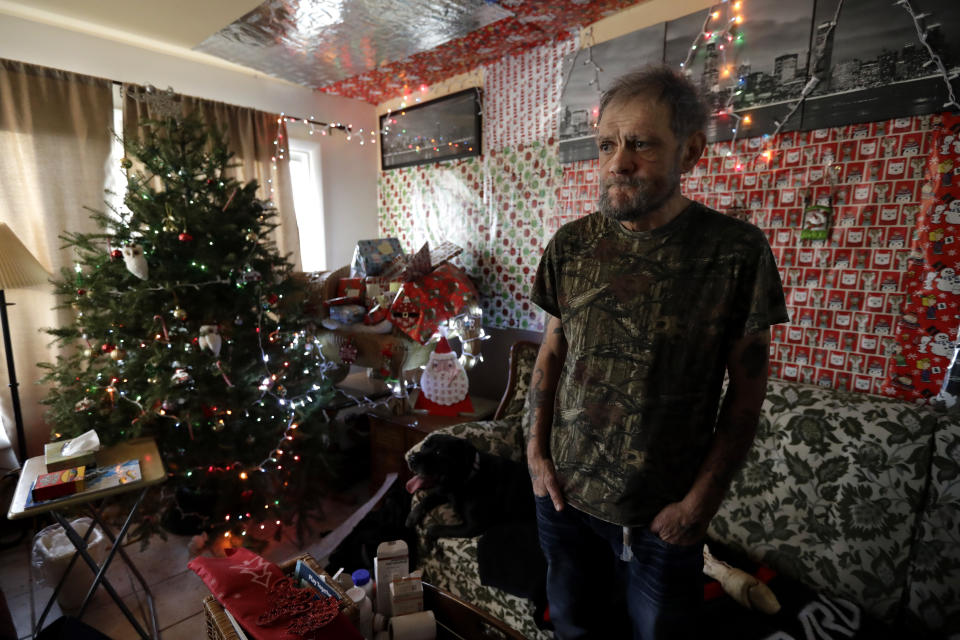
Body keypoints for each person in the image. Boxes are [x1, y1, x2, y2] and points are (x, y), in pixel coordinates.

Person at [526, 65, 789, 639]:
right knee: (572, 627)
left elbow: (746, 395)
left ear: (689, 151)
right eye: (607, 145)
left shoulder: (734, 252)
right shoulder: (571, 245)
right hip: (563, 501)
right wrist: (536, 457)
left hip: (662, 518)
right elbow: (549, 357)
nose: (618, 162)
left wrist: (698, 506)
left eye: (640, 143)